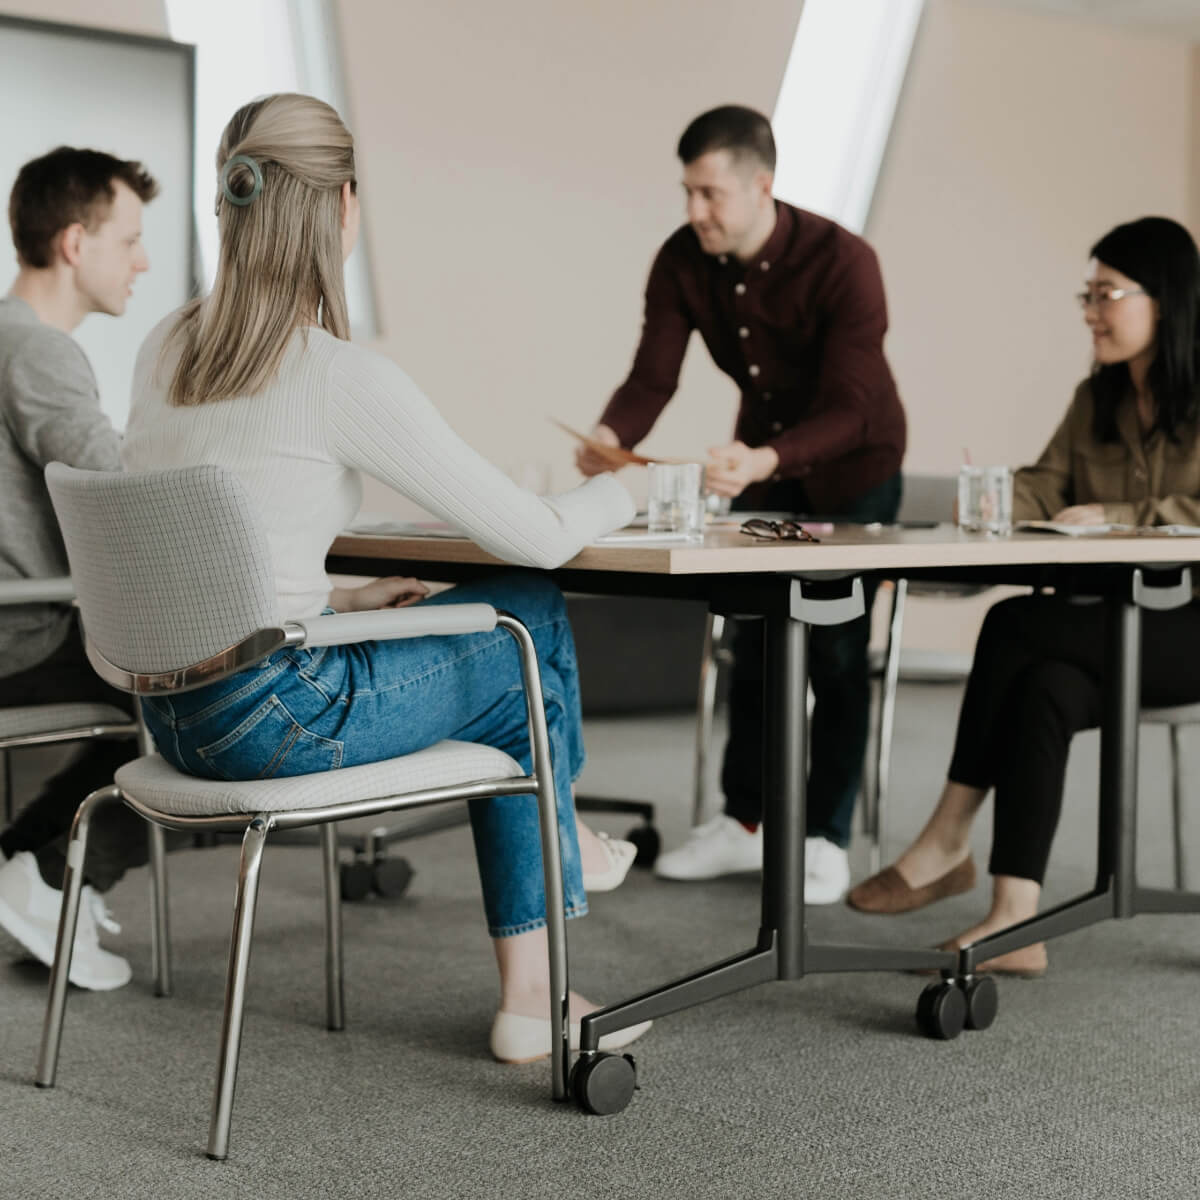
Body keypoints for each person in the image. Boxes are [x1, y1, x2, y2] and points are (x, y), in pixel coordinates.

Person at [120, 93, 647, 1064]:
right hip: (272, 722)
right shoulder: (334, 375)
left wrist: (343, 602)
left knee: (501, 640)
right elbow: (533, 537)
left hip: (171, 717)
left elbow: (211, 537)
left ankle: (565, 865)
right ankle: (538, 985)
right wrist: (624, 492)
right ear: (343, 209)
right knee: (524, 621)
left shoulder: (166, 348)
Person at [847, 216, 1200, 976]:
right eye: (1087, 293)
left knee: (1013, 621)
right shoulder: (1095, 398)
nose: (1090, 311)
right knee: (1045, 685)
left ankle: (946, 837)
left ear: (1165, 301)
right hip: (1112, 626)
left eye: (1107, 293)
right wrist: (999, 497)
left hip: (1191, 631)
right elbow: (1050, 482)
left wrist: (1119, 516)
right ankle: (1016, 921)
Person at [577, 105, 906, 901]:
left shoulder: (843, 261)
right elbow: (653, 374)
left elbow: (856, 406)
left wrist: (765, 457)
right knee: (753, 643)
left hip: (855, 467)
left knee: (834, 650)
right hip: (764, 462)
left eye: (711, 194)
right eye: (688, 192)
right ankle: (745, 822)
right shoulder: (682, 260)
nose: (695, 212)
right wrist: (607, 434)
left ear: (763, 185)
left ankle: (824, 838)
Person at [0, 146, 159, 991]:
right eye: (128, 239)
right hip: (20, 631)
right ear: (73, 243)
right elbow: (122, 499)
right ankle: (51, 876)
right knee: (202, 709)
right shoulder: (38, 353)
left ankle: (20, 867)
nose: (143, 261)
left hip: (22, 616)